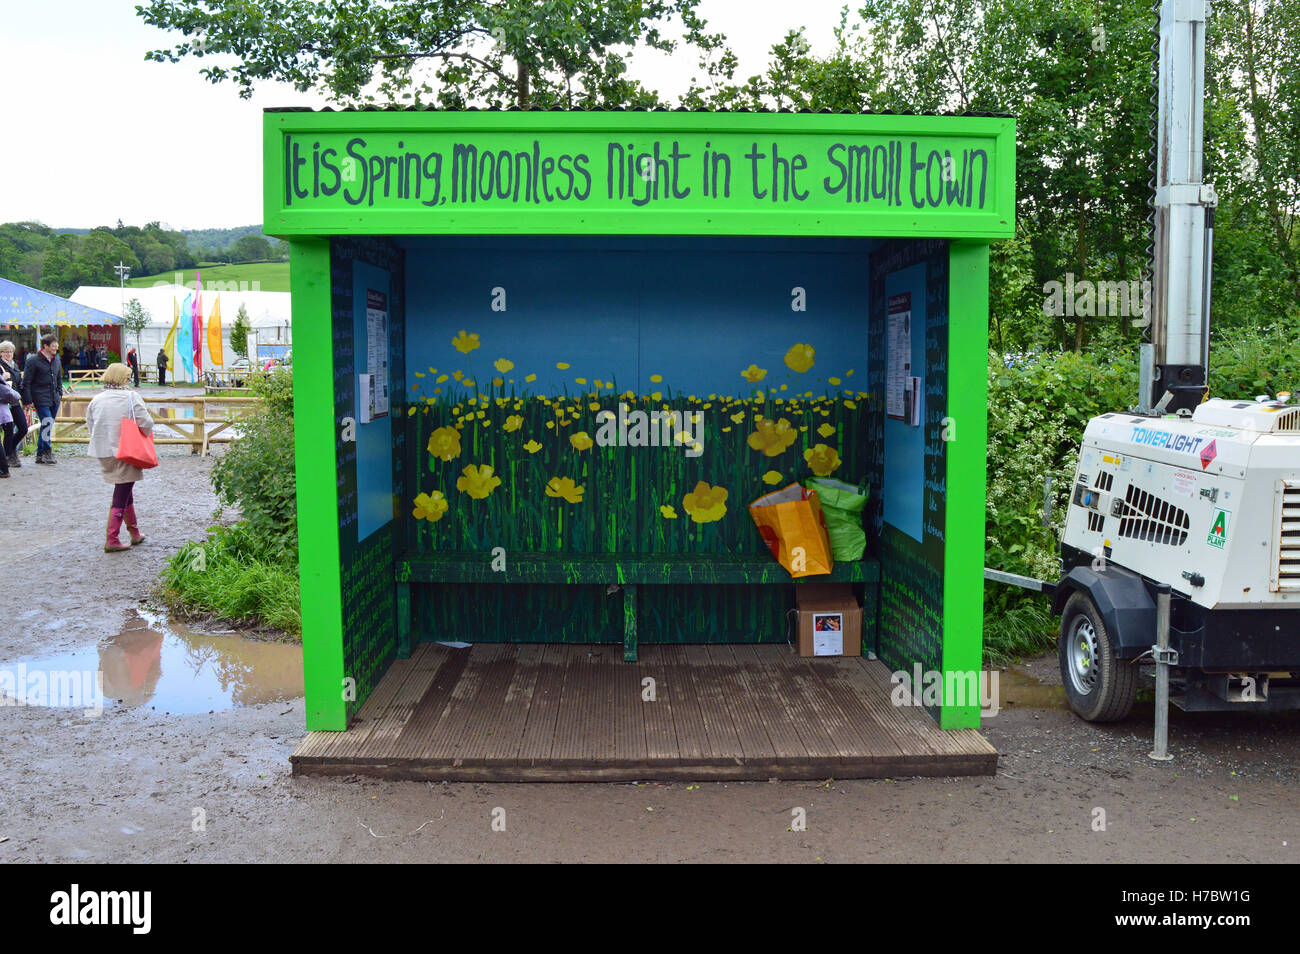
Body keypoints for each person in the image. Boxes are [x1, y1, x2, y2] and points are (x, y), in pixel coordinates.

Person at [85, 363, 154, 552]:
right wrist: (145, 432)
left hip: (103, 450)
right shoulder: (131, 397)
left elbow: (90, 423)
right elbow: (146, 421)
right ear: (123, 378)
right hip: (125, 449)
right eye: (129, 376)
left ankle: (134, 532)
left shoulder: (97, 399)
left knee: (125, 488)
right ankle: (112, 538)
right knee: (122, 491)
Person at [21, 333, 63, 465]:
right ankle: (47, 451)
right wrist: (27, 400)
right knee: (47, 423)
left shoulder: (56, 359)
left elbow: (58, 377)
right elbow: (26, 381)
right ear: (45, 346)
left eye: (57, 347)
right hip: (40, 397)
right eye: (53, 347)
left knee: (47, 425)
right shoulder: (33, 361)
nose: (56, 349)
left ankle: (40, 454)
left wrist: (60, 392)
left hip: (54, 397)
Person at [0, 341, 29, 468]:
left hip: (15, 402)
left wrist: (27, 400)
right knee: (8, 430)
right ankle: (9, 455)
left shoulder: (15, 366)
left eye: (10, 351)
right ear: (1, 353)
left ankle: (9, 451)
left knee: (23, 428)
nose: (8, 354)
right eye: (5, 351)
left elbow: (20, 383)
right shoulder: (0, 366)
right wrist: (3, 377)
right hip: (4, 403)